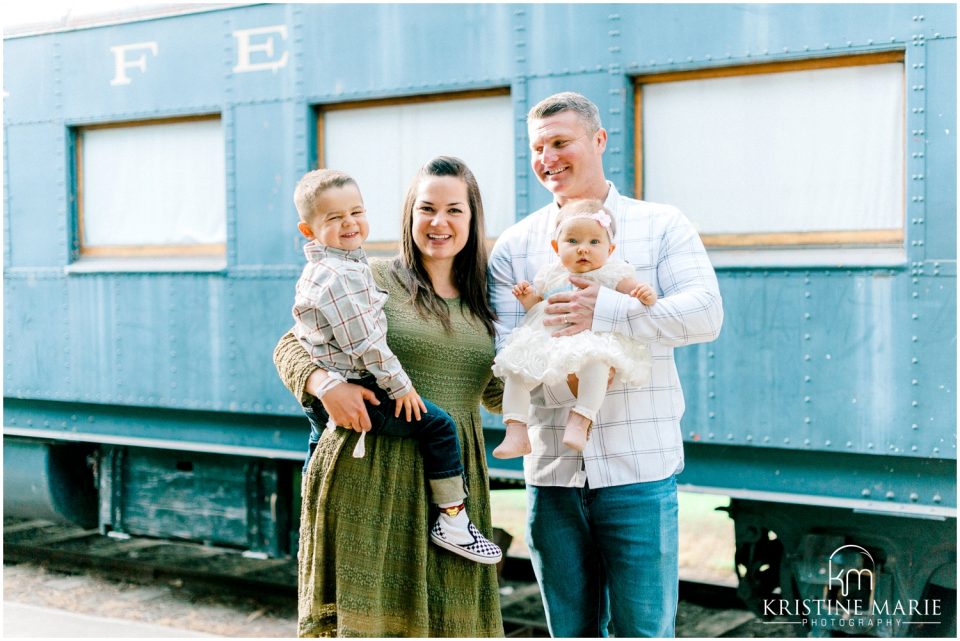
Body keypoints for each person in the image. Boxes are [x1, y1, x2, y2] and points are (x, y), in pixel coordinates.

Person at [488, 92, 724, 637]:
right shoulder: (517, 245)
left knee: (644, 632)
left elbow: (706, 314)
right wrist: (561, 363)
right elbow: (506, 353)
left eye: (561, 142)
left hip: (639, 470)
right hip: (552, 478)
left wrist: (609, 311)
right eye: (538, 147)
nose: (548, 157)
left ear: (598, 140)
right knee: (569, 633)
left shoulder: (661, 224)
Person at [273, 156, 504, 637]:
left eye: (454, 210)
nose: (439, 222)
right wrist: (325, 385)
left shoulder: (486, 298)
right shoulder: (369, 277)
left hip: (452, 485)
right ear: (409, 215)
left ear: (472, 217)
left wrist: (566, 384)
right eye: (427, 209)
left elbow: (496, 391)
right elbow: (288, 345)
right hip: (372, 470)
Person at [491, 197, 657, 458]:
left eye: (594, 242)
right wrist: (528, 299)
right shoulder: (551, 274)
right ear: (556, 246)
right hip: (550, 339)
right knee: (517, 369)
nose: (583, 249)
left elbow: (634, 295)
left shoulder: (613, 273)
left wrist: (645, 294)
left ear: (610, 249)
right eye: (573, 241)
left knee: (597, 363)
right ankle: (516, 431)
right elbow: (539, 307)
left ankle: (581, 419)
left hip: (591, 339)